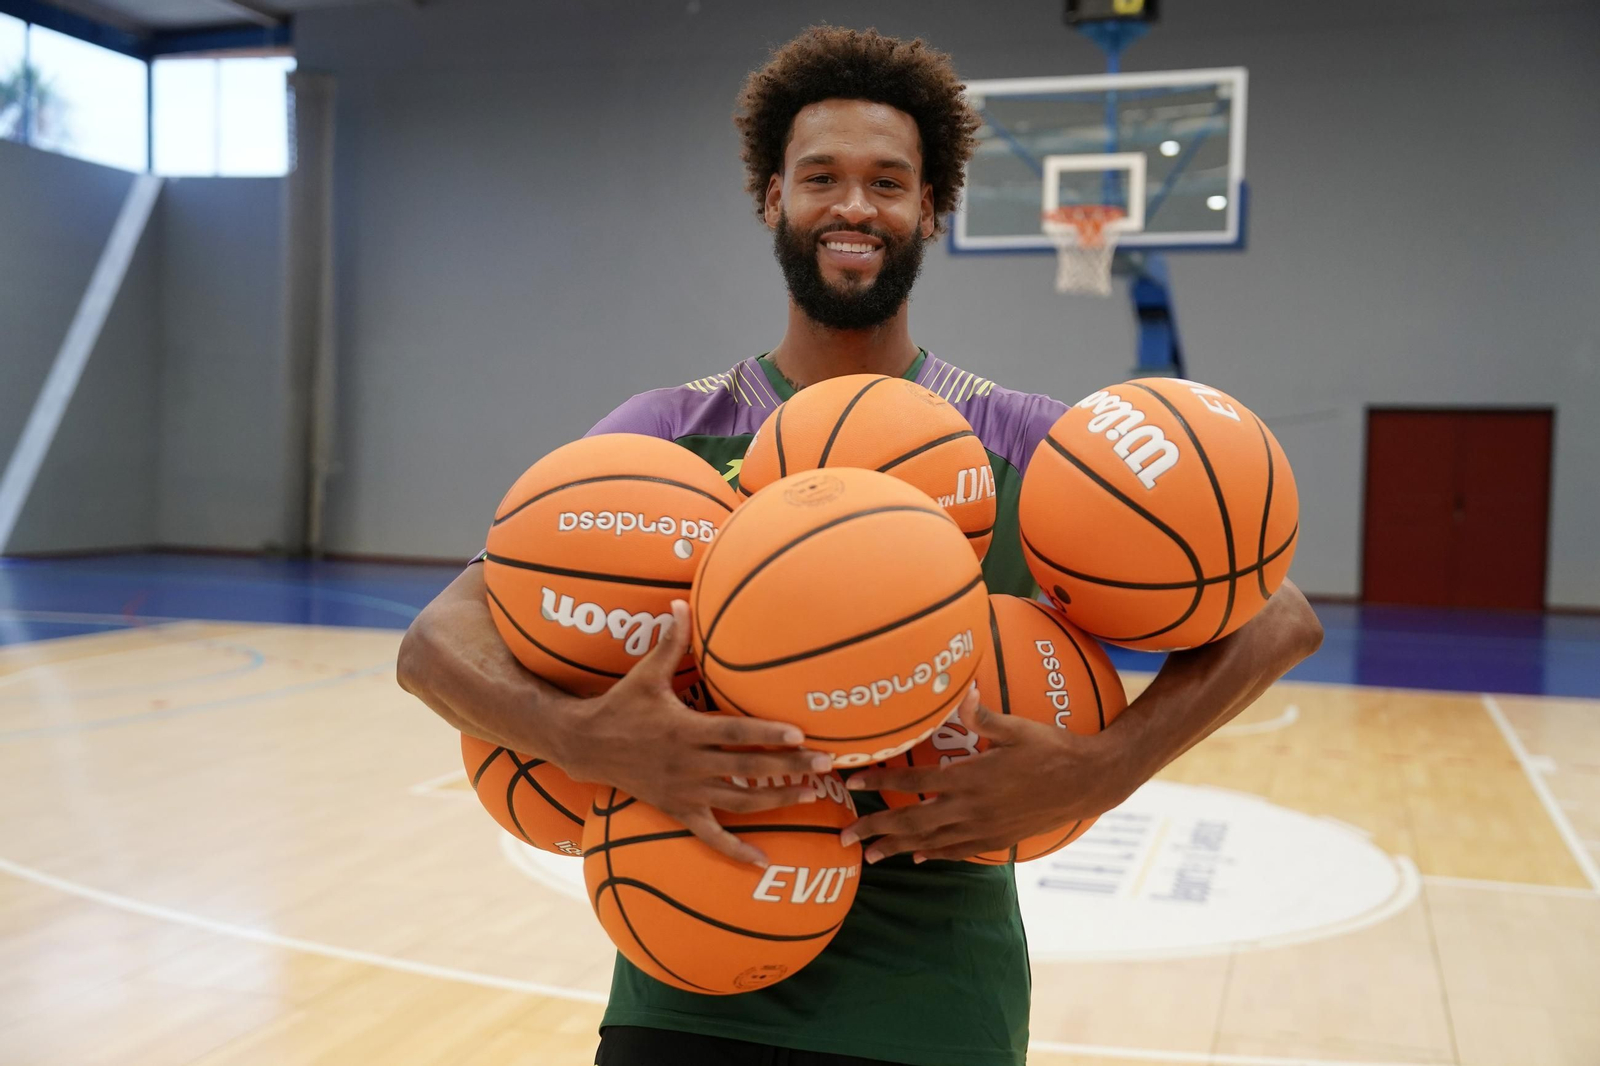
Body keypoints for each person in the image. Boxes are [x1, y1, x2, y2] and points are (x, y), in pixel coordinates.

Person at [398, 26, 1324, 1066]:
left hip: (932, 1002)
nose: (853, 206)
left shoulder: (1032, 443)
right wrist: (581, 739)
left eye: (888, 181)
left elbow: (1276, 613)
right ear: (772, 200)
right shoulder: (669, 431)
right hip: (688, 975)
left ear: (930, 207)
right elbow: (436, 642)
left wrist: (1101, 767)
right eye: (820, 177)